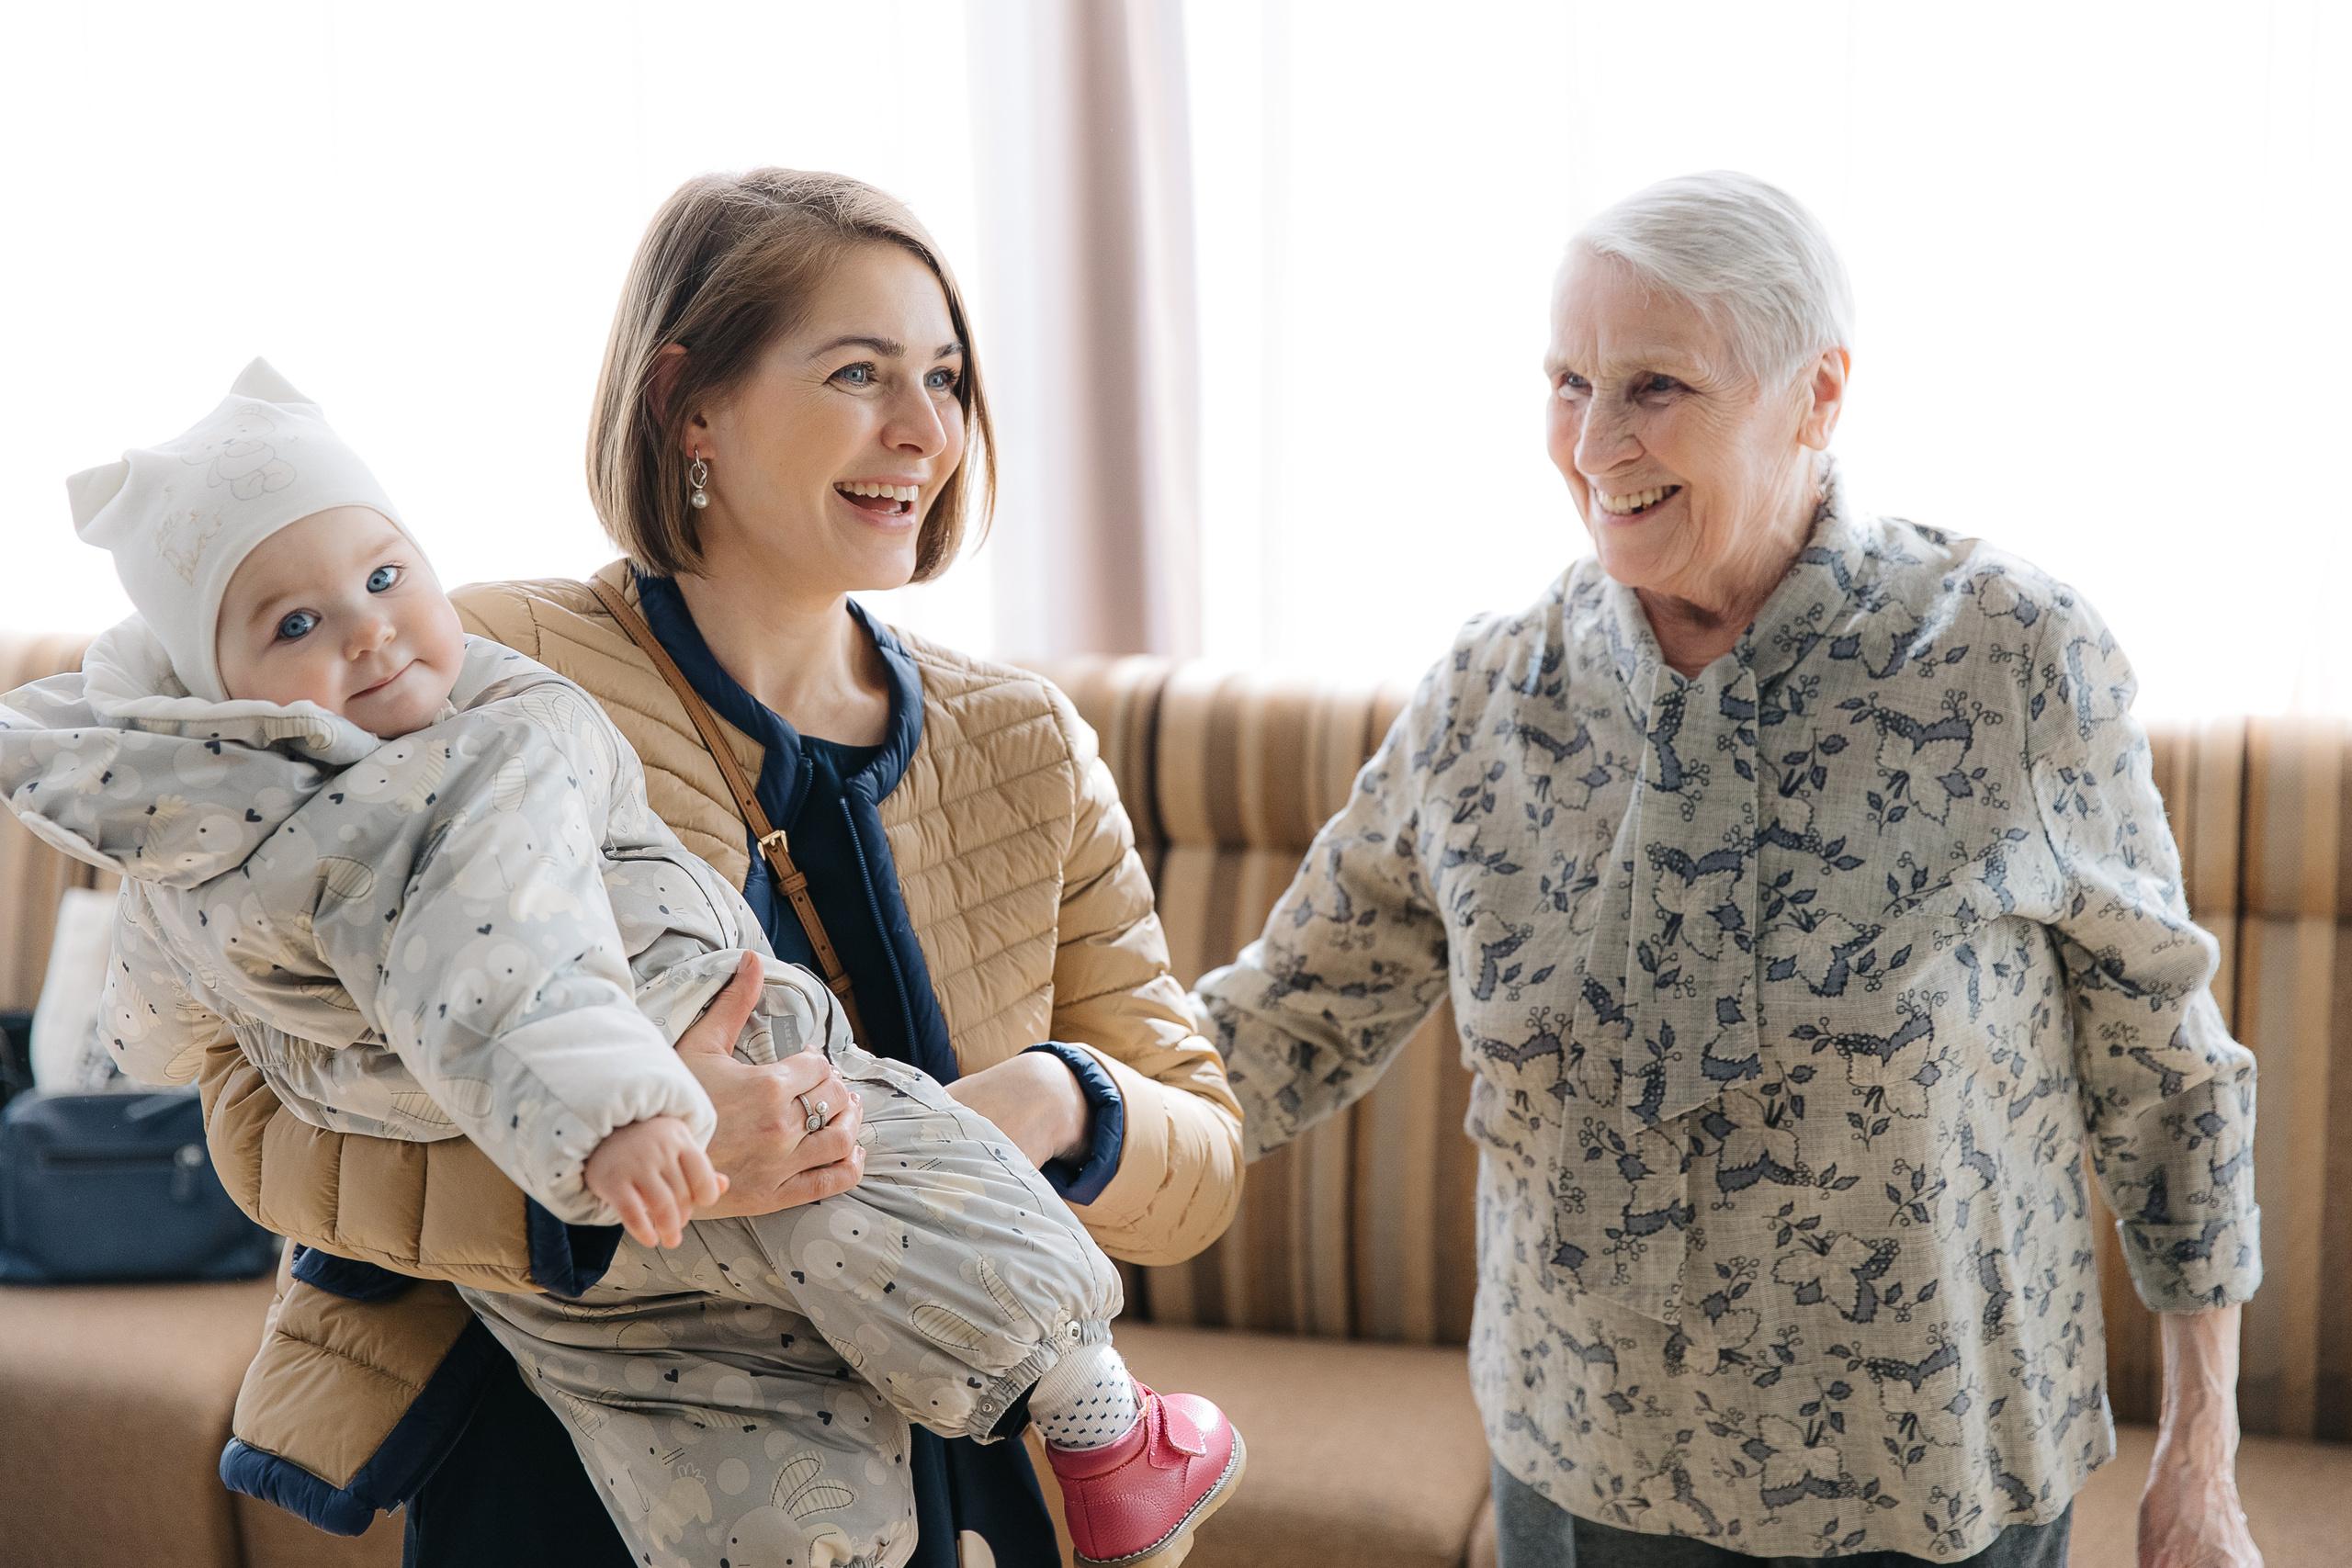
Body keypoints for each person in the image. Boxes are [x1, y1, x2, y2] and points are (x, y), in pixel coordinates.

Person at [142, 169, 1244, 1568]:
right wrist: (625, 1169)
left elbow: (1206, 1157)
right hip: (572, 1470)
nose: (924, 431)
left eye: (947, 378)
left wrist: (1052, 1102)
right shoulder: (479, 675)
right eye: (859, 373)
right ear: (688, 406)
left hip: (958, 1453)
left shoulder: (1025, 742)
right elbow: (255, 1109)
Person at [1200, 171, 2263, 1568]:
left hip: (1930, 1491)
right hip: (1583, 1475)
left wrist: (2202, 1454)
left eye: (1655, 386)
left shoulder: (2008, 661)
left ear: (1817, 396)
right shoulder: (1487, 701)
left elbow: (2165, 1069)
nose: (1594, 444)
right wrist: (1023, 1124)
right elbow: (1282, 1022)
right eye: (1568, 382)